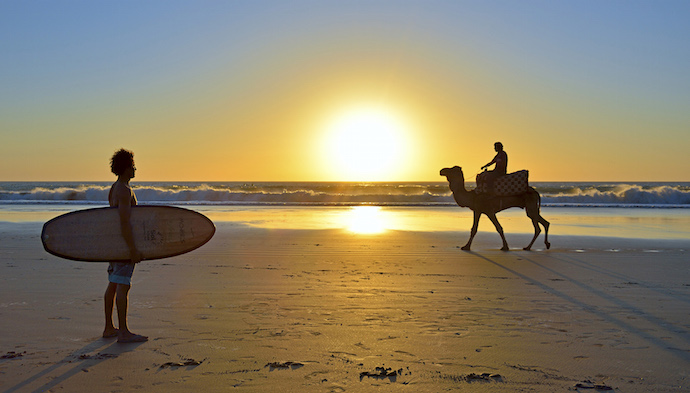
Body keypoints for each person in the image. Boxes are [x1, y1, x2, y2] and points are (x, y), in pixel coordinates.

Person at [102, 149, 148, 343]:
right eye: (132, 164)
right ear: (127, 167)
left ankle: (109, 328)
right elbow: (124, 223)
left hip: (115, 245)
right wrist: (132, 249)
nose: (135, 167)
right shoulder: (123, 190)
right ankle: (123, 332)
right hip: (123, 246)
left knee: (113, 284)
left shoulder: (115, 188)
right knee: (123, 286)